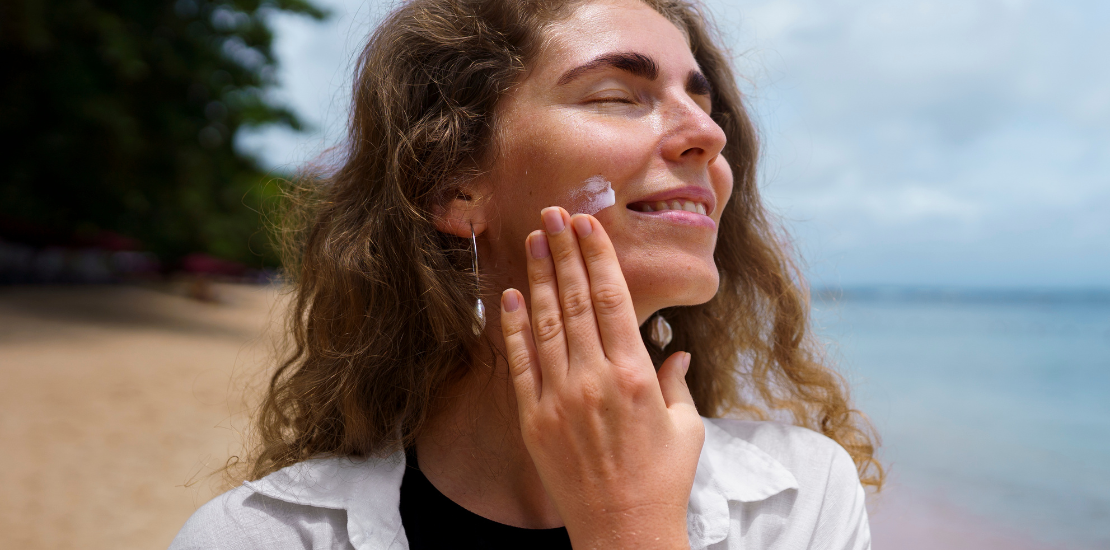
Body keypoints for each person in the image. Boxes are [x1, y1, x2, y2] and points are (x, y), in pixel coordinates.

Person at [170, 0, 883, 548]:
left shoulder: (800, 500)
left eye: (703, 102)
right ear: (454, 185)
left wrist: (629, 527)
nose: (710, 133)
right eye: (617, 95)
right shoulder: (255, 536)